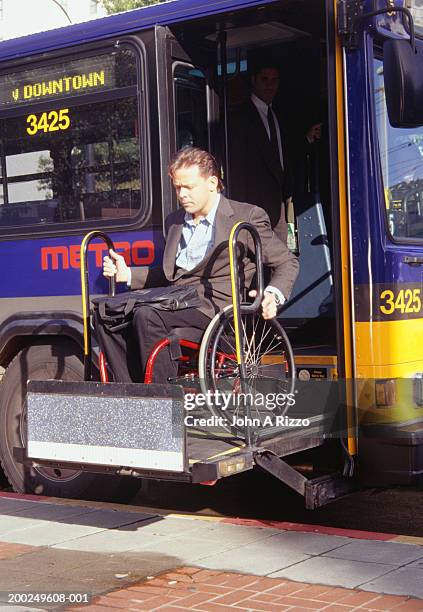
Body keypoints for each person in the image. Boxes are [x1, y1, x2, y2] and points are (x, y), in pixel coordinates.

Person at [100, 147, 299, 383]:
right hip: (176, 300)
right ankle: (132, 391)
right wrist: (128, 275)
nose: (182, 194)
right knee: (106, 313)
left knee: (146, 315)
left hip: (216, 309)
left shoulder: (245, 216)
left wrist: (272, 295)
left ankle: (164, 399)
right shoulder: (174, 222)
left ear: (212, 183)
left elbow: (287, 261)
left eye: (189, 187)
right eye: (177, 188)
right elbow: (172, 276)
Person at [228, 62, 293, 242]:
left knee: (281, 259)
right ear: (254, 80)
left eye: (274, 80)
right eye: (264, 79)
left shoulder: (277, 115)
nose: (269, 85)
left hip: (278, 205)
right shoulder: (240, 118)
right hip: (253, 207)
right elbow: (237, 168)